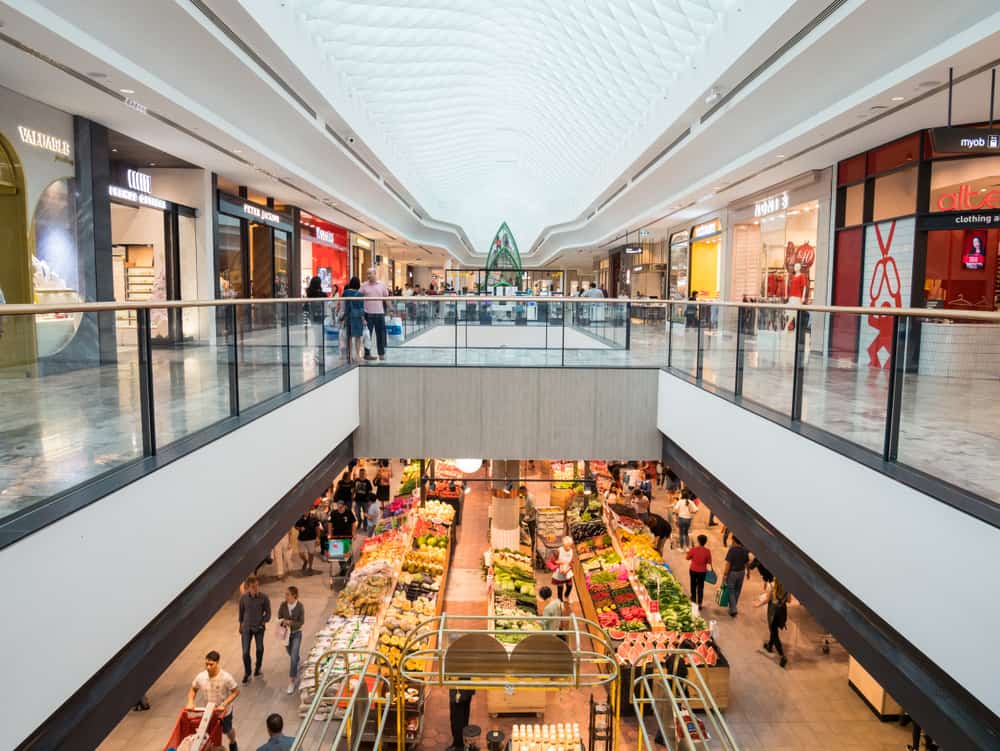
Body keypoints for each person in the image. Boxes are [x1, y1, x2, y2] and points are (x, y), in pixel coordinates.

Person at [187, 650, 240, 751]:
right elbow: (193, 689)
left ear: (217, 662)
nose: (208, 667)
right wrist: (190, 701)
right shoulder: (201, 676)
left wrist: (224, 704)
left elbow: (236, 691)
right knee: (208, 734)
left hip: (224, 712)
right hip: (208, 712)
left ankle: (233, 742)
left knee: (227, 731)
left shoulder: (226, 677)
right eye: (206, 664)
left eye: (211, 664)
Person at [238, 575, 271, 684]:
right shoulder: (243, 598)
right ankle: (247, 672)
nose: (256, 588)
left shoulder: (264, 597)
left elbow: (268, 613)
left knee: (260, 649)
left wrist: (263, 621)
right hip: (246, 628)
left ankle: (258, 667)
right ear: (248, 587)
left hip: (259, 628)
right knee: (245, 652)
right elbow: (241, 612)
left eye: (257, 586)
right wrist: (240, 625)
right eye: (253, 587)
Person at [756, 578, 790, 668]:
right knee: (774, 629)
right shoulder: (787, 587)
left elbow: (767, 600)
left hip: (773, 611)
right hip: (782, 611)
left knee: (774, 633)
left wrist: (757, 605)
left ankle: (782, 655)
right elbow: (789, 600)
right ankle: (770, 646)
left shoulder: (771, 585)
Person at [278, 587, 304, 694]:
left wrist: (291, 622)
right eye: (286, 594)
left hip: (296, 633)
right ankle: (297, 660)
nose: (286, 596)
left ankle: (292, 681)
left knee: (293, 656)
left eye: (288, 594)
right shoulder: (283, 605)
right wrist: (283, 621)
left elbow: (301, 622)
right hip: (286, 634)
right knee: (291, 653)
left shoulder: (300, 606)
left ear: (294, 595)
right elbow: (279, 616)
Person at [360, 268, 390, 361]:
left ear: (375, 274)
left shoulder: (382, 285)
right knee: (367, 335)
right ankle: (367, 354)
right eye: (367, 274)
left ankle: (381, 353)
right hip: (368, 314)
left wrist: (391, 309)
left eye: (370, 273)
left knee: (380, 335)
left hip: (379, 313)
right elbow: (358, 298)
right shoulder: (364, 286)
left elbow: (386, 298)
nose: (368, 275)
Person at [721, 537, 751, 617]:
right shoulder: (745, 550)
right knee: (737, 590)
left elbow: (728, 564)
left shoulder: (732, 550)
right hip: (741, 573)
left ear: (734, 541)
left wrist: (725, 574)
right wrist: (748, 572)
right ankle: (733, 607)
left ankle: (733, 609)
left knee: (731, 590)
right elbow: (747, 563)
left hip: (732, 573)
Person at [327, 497, 357, 575]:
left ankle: (348, 566)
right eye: (338, 506)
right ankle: (343, 568)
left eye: (341, 506)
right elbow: (330, 524)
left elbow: (353, 523)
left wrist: (354, 533)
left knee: (346, 552)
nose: (339, 508)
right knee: (338, 554)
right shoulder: (333, 513)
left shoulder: (348, 512)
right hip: (336, 536)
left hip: (347, 536)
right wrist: (330, 534)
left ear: (344, 506)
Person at [341, 276, 366, 362]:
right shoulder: (360, 295)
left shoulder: (345, 293)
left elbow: (342, 305)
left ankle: (349, 356)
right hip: (357, 318)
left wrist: (342, 317)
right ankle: (357, 356)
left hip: (348, 317)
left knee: (349, 337)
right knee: (358, 337)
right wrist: (363, 319)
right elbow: (361, 309)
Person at [686, 535, 712, 608]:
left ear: (698, 541)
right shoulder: (707, 551)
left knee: (693, 584)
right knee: (700, 587)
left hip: (693, 570)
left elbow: (687, 558)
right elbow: (709, 562)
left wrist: (689, 552)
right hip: (702, 571)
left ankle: (693, 599)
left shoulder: (693, 549)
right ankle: (700, 603)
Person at [448, 686, 476, 751]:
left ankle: (458, 745)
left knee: (457, 716)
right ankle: (463, 741)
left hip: (459, 688)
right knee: (464, 712)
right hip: (466, 687)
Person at [552, 535, 575, 603]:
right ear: (564, 544)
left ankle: (566, 596)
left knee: (570, 585)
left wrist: (568, 568)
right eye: (567, 546)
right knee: (560, 587)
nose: (568, 547)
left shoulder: (571, 551)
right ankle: (560, 600)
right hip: (560, 571)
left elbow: (572, 562)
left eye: (570, 546)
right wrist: (560, 563)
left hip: (567, 570)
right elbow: (553, 560)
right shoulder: (559, 551)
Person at [353, 467, 374, 531]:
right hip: (357, 500)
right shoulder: (356, 480)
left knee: (366, 513)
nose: (362, 474)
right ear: (359, 473)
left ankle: (365, 524)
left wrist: (369, 500)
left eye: (363, 473)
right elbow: (353, 489)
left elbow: (370, 491)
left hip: (365, 501)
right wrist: (352, 495)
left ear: (365, 474)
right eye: (360, 473)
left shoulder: (367, 482)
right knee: (357, 512)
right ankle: (359, 521)